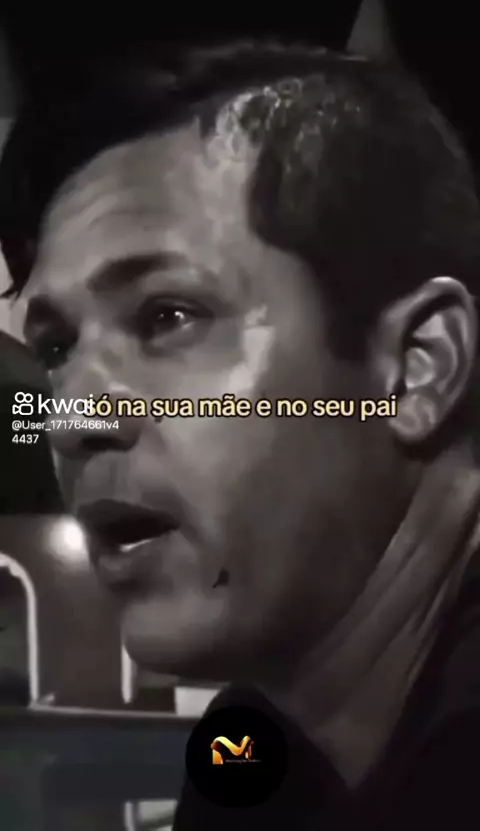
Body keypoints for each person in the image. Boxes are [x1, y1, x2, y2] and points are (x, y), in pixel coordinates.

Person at [1, 41, 480, 829]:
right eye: (57, 350)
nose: (73, 417)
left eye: (167, 316)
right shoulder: (252, 754)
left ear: (416, 368)